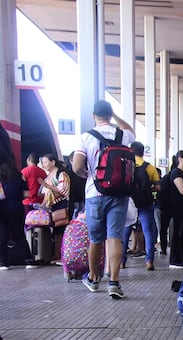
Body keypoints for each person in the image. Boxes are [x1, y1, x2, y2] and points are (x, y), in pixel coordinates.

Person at [71, 99, 135, 299]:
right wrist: (116, 117)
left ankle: (93, 278)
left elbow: (76, 166)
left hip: (95, 194)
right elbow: (130, 129)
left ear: (93, 116)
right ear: (110, 115)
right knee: (114, 236)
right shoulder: (122, 135)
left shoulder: (85, 137)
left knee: (96, 239)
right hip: (119, 193)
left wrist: (88, 176)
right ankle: (114, 282)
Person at [122, 142, 159, 271]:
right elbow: (158, 186)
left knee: (126, 232)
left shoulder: (125, 166)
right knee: (148, 232)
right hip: (145, 203)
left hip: (129, 203)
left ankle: (122, 261)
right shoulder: (149, 167)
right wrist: (149, 188)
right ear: (143, 152)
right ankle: (149, 261)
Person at [0, 155, 36, 270]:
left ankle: (3, 263)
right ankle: (29, 260)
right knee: (19, 234)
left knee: (2, 235)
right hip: (16, 207)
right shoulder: (19, 176)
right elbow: (26, 194)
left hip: (1, 208)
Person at [39, 153, 71, 263]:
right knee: (57, 231)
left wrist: (49, 186)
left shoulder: (61, 174)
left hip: (62, 205)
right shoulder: (48, 176)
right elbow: (46, 194)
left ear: (53, 162)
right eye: (42, 163)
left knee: (62, 230)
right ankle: (58, 254)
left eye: (45, 162)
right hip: (54, 207)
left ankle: (63, 255)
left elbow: (64, 191)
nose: (44, 165)